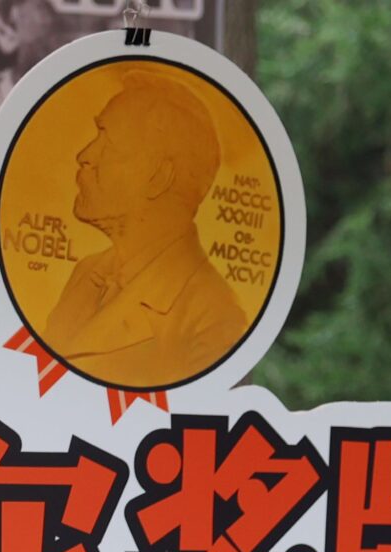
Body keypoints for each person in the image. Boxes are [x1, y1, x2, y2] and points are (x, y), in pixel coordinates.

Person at [43, 72, 246, 390]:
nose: (85, 156)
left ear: (159, 177)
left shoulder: (213, 317)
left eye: (107, 143)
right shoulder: (87, 274)